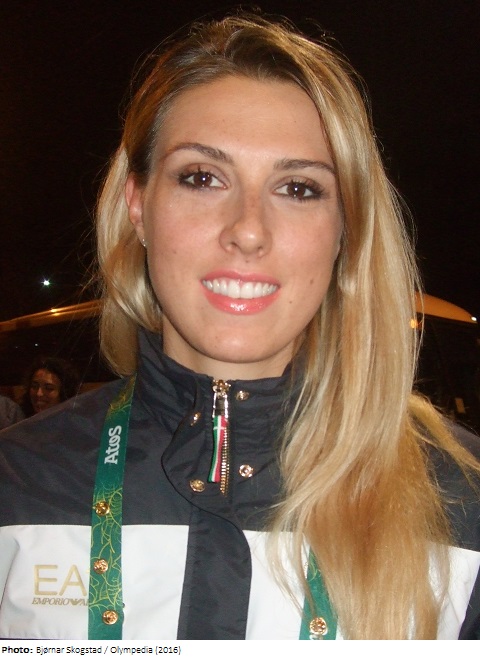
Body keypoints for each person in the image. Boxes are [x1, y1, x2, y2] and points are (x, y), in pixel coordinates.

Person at [0, 13, 479, 640]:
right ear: (138, 204)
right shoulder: (19, 480)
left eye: (298, 188)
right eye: (202, 178)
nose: (249, 231)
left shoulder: (463, 499)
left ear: (345, 228)